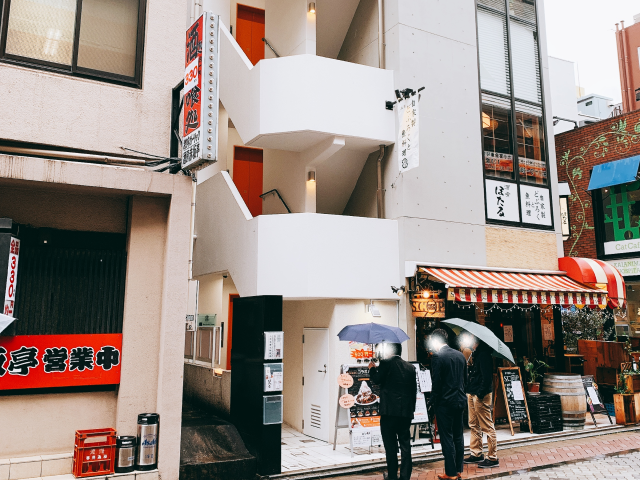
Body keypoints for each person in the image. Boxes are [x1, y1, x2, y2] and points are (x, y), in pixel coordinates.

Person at [369, 342, 417, 480]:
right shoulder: (410, 367)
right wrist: (411, 410)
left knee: (390, 446)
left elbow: (376, 380)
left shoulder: (386, 363)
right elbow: (413, 391)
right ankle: (405, 476)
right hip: (405, 412)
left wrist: (372, 369)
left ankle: (392, 476)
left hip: (389, 412)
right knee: (405, 445)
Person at [429, 329, 467, 480]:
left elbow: (436, 383)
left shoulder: (438, 357)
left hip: (445, 402)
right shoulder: (460, 355)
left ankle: (450, 473)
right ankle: (458, 469)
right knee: (458, 435)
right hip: (460, 400)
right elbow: (465, 380)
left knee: (447, 437)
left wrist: (432, 402)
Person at [464, 336, 499, 468]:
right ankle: (476, 453)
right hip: (472, 391)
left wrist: (480, 393)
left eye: (471, 339)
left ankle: (492, 457)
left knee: (486, 425)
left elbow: (486, 377)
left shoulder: (484, 354)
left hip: (481, 394)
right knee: (473, 424)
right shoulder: (476, 354)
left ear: (476, 341)